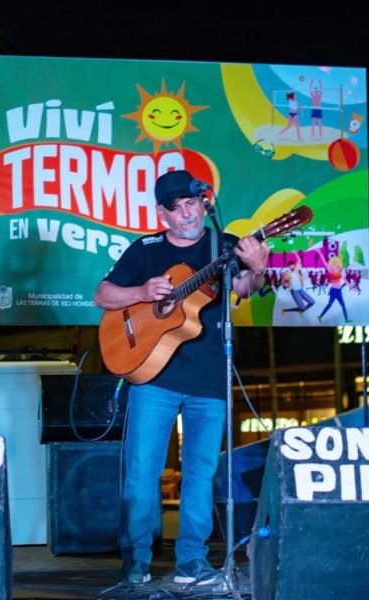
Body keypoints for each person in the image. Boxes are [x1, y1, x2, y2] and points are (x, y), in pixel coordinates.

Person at [94, 169, 269, 586]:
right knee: (141, 471)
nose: (188, 213)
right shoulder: (146, 249)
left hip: (209, 379)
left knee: (201, 473)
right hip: (152, 377)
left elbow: (244, 290)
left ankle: (192, 559)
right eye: (177, 208)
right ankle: (136, 557)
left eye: (193, 204)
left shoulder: (221, 245)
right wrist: (141, 293)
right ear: (162, 213)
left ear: (203, 205)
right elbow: (103, 294)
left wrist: (258, 268)